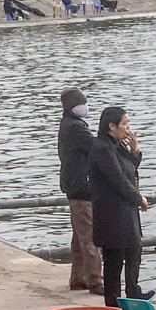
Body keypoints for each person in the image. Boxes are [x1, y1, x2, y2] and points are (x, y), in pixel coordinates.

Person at [88, 106, 154, 307]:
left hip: (126, 210)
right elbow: (117, 179)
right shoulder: (102, 148)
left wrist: (136, 151)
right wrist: (138, 198)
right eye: (124, 124)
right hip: (111, 211)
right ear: (111, 126)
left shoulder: (118, 145)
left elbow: (129, 169)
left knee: (135, 249)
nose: (128, 128)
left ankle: (133, 291)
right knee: (114, 260)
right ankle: (113, 302)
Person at [58, 88, 103, 298]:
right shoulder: (76, 128)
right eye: (82, 103)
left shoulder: (69, 125)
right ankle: (96, 280)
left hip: (72, 186)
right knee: (89, 235)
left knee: (79, 236)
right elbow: (97, 147)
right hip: (81, 188)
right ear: (72, 107)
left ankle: (78, 278)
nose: (85, 106)